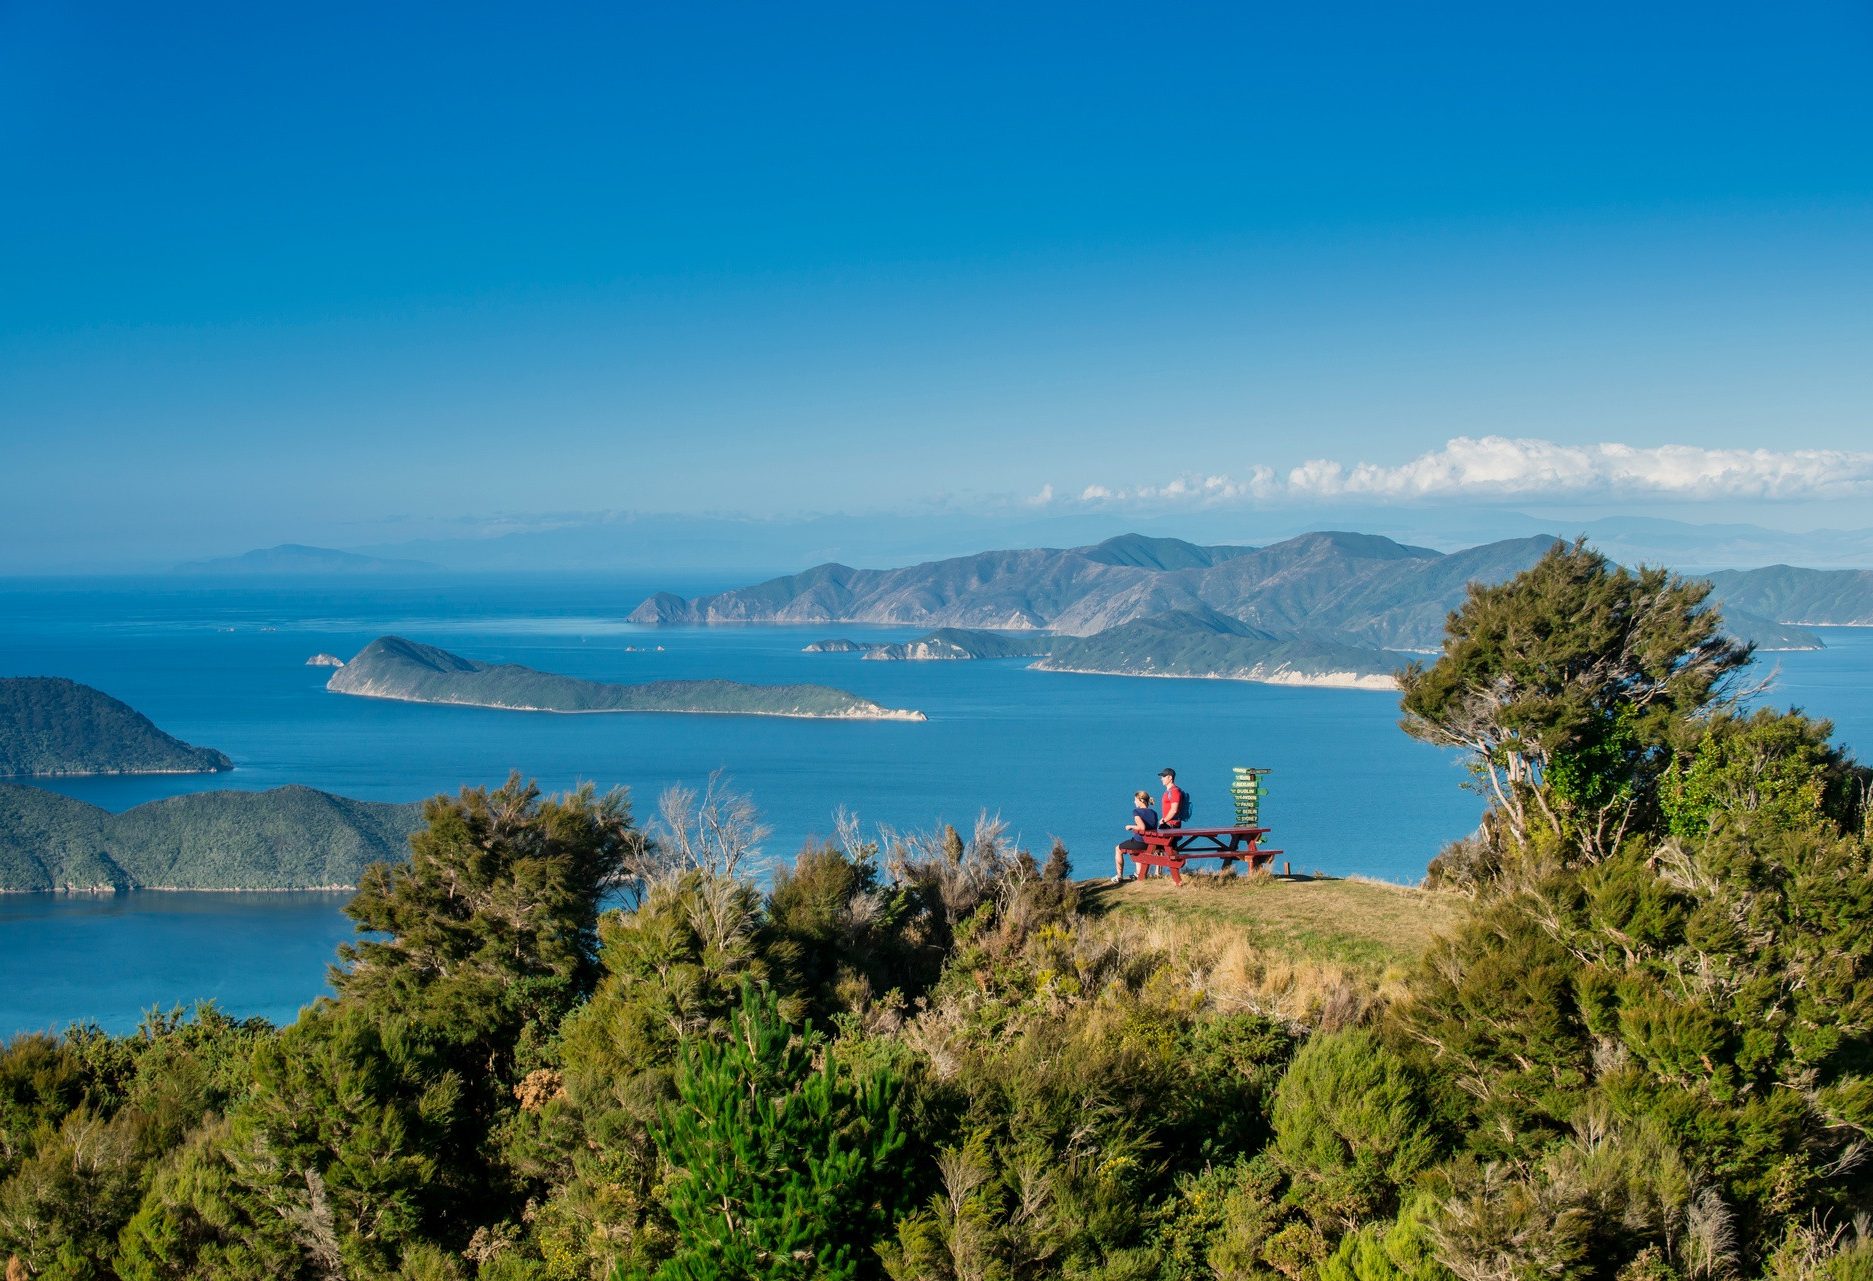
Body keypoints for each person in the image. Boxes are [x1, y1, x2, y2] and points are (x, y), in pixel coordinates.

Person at [1112, 790, 1159, 883]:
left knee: (1118, 848)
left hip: (1140, 842)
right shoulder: (1154, 813)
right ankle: (1138, 874)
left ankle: (1119, 876)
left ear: (1141, 800)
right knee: (1137, 852)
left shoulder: (1136, 812)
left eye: (1135, 800)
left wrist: (1130, 826)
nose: (1134, 802)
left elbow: (1142, 827)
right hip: (1151, 843)